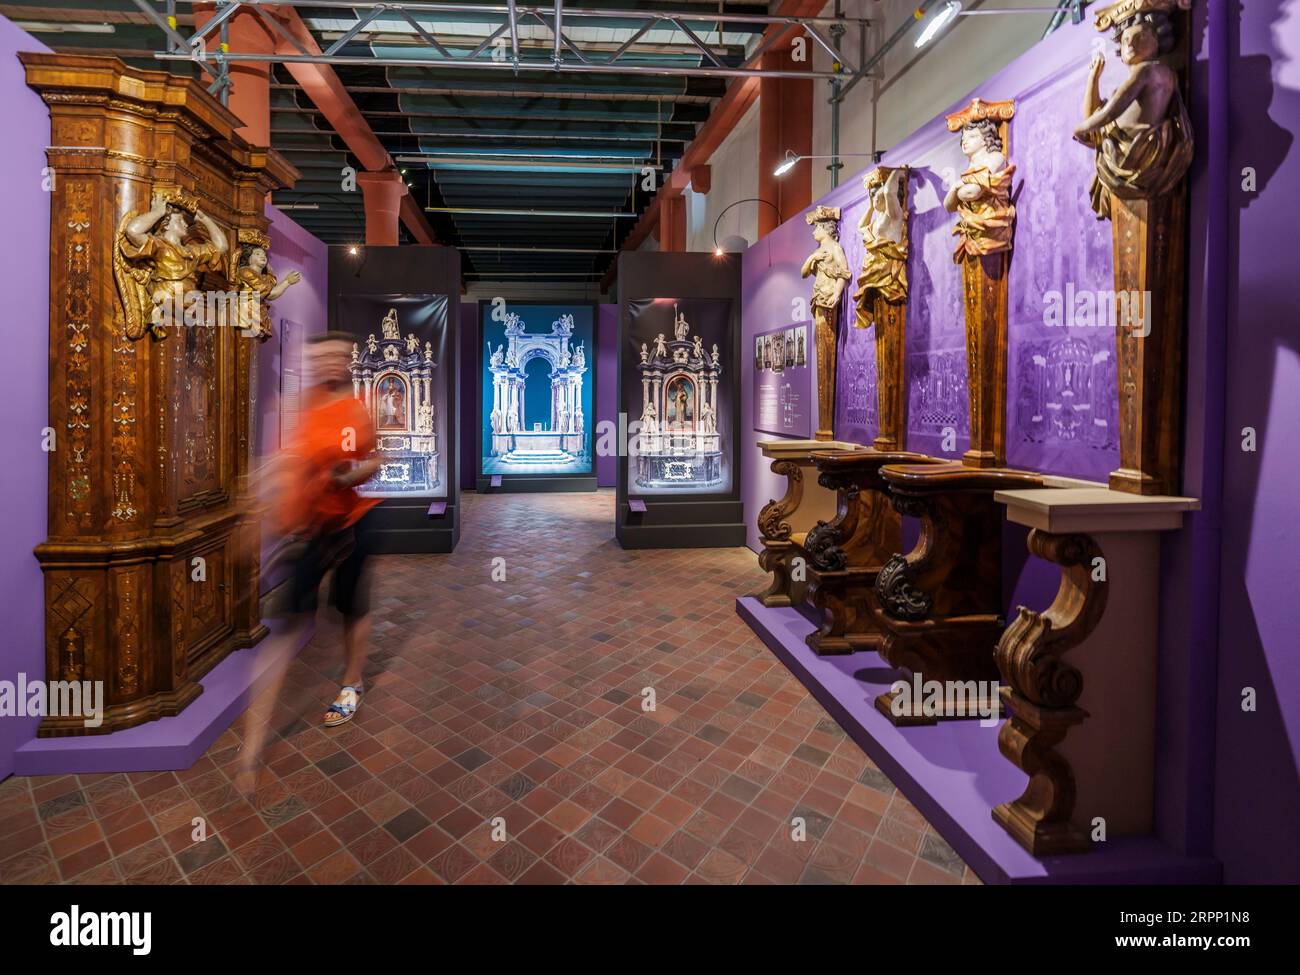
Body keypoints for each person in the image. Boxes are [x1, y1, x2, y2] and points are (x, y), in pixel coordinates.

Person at [237, 331, 380, 792]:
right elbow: (285, 460)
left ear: (346, 360)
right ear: (314, 361)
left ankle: (352, 683)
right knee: (287, 628)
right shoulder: (302, 406)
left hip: (351, 522)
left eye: (338, 354)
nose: (330, 362)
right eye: (322, 356)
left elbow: (373, 461)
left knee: (352, 608)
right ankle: (252, 747)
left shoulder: (358, 410)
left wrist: (351, 473)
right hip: (310, 530)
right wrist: (263, 492)